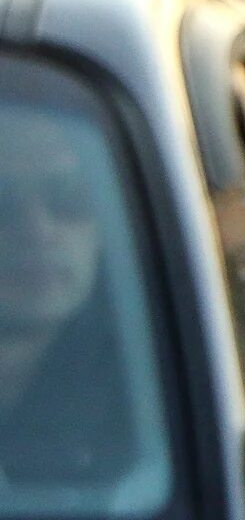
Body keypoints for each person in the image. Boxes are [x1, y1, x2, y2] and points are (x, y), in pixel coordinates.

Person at [0, 107, 138, 487]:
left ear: (104, 224)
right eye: (2, 204)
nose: (37, 230)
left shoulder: (156, 389)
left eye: (68, 197)